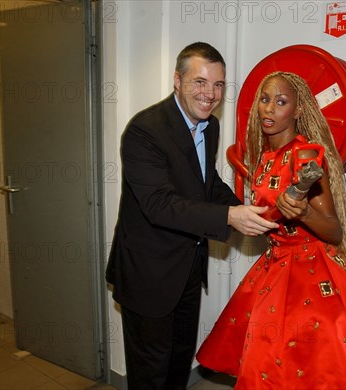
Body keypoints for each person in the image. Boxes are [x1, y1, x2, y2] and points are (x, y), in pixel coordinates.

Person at [196, 71, 346, 389]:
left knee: (321, 366)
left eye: (281, 102)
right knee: (279, 364)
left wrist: (303, 211)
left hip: (313, 270)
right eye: (265, 100)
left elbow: (333, 230)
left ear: (298, 110)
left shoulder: (305, 156)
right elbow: (272, 219)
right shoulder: (264, 156)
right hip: (275, 265)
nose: (269, 109)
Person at [105, 42, 278, 390]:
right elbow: (159, 204)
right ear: (177, 81)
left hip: (187, 268)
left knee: (179, 361)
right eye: (199, 82)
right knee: (151, 372)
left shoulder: (209, 127)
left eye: (218, 85)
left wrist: (251, 209)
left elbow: (206, 182)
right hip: (149, 275)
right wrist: (230, 216)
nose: (209, 94)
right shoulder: (145, 130)